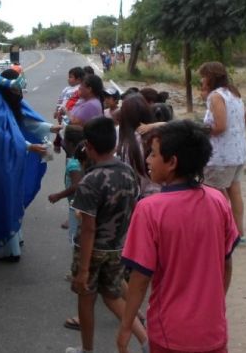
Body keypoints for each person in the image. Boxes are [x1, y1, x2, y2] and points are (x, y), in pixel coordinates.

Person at [118, 120, 240, 353]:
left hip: (171, 333)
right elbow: (227, 264)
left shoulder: (149, 209)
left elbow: (140, 278)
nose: (147, 161)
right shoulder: (218, 201)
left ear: (172, 162)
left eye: (153, 154)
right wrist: (214, 306)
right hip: (213, 330)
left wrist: (126, 326)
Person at [67, 117, 148, 353]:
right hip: (118, 248)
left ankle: (87, 350)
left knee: (86, 297)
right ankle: (146, 342)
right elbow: (134, 209)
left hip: (92, 250)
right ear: (114, 144)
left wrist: (82, 270)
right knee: (113, 297)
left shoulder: (90, 181)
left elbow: (89, 228)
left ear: (88, 147)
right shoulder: (128, 173)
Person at [0, 68, 60, 261]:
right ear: (9, 88)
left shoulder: (7, 97)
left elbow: (23, 120)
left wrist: (51, 127)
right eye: (17, 91)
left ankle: (12, 241)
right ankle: (1, 248)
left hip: (7, 160)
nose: (20, 96)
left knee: (11, 196)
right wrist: (29, 146)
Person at [199, 61, 246, 243]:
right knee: (235, 193)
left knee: (216, 197)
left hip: (220, 157)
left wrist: (201, 129)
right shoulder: (234, 93)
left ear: (210, 78)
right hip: (238, 153)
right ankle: (239, 233)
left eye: (203, 77)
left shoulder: (215, 96)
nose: (202, 80)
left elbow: (220, 126)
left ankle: (223, 235)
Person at [48, 125, 86, 242]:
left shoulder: (74, 164)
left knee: (75, 237)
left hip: (76, 205)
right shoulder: (80, 159)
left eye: (64, 140)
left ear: (70, 144)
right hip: (78, 204)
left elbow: (76, 185)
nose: (62, 143)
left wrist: (58, 195)